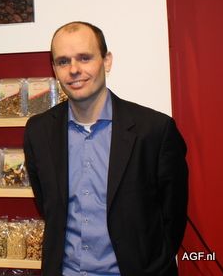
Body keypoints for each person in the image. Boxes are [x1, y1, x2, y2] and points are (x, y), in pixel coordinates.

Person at [24, 21, 188, 276]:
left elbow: (173, 216)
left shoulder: (154, 130)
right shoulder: (39, 132)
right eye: (63, 61)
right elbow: (48, 205)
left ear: (107, 61)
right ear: (55, 70)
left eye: (84, 58)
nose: (74, 70)